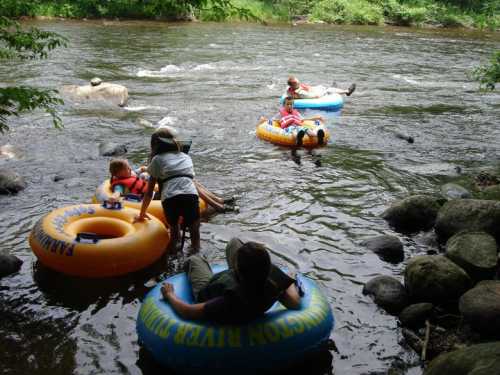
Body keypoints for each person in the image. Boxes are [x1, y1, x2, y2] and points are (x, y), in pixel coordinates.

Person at [160, 238, 302, 323]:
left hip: (209, 292)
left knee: (195, 259)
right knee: (235, 242)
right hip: (251, 283)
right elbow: (295, 303)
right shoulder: (273, 285)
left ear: (236, 270)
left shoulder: (229, 301)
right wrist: (287, 280)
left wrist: (170, 294)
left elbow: (188, 312)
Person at [135, 128, 200, 253]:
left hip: (170, 198)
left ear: (154, 145)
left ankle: (171, 262)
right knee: (195, 235)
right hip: (190, 195)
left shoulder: (157, 159)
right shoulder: (185, 157)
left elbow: (149, 192)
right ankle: (195, 255)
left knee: (174, 235)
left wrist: (142, 213)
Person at [261, 96, 325, 146]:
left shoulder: (296, 112)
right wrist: (265, 119)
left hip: (299, 126)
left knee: (308, 130)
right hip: (289, 127)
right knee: (294, 132)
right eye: (287, 104)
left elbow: (304, 119)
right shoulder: (281, 113)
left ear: (293, 105)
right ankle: (298, 138)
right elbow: (274, 120)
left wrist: (316, 118)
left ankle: (318, 136)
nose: (289, 106)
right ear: (284, 105)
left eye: (291, 104)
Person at [287, 75, 356, 100]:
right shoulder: (301, 93)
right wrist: (323, 92)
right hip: (315, 95)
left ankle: (334, 89)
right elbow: (315, 96)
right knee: (327, 90)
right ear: (295, 85)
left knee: (320, 86)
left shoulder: (290, 89)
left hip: (310, 91)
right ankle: (347, 91)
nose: (300, 82)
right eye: (298, 82)